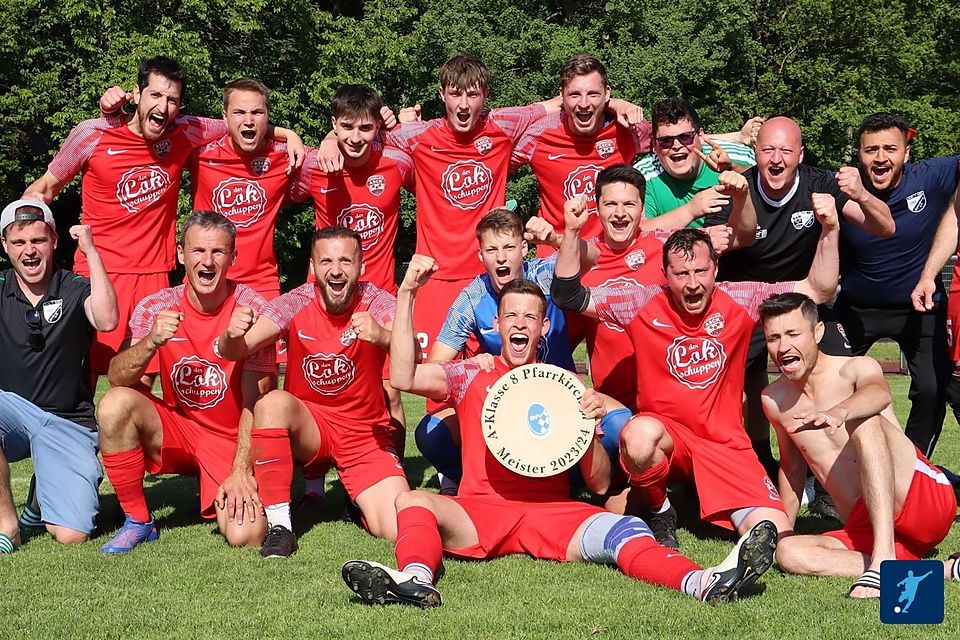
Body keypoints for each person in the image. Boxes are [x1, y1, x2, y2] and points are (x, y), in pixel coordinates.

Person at [341, 259, 779, 608]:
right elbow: (401, 375)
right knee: (413, 500)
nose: (518, 323)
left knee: (623, 529)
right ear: (496, 325)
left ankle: (699, 580)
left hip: (552, 512)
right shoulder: (468, 375)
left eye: (529, 317)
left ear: (543, 327)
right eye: (509, 314)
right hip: (481, 509)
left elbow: (600, 483)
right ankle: (413, 580)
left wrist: (587, 433)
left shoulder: (565, 387)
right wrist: (406, 295)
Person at [550, 185, 841, 549]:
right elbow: (567, 295)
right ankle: (661, 509)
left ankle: (713, 508)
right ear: (665, 275)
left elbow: (818, 289)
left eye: (700, 271)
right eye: (681, 274)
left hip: (725, 444)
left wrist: (830, 230)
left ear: (715, 269)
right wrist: (573, 231)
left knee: (774, 536)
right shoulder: (640, 300)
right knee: (637, 438)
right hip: (667, 438)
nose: (692, 284)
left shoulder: (741, 298)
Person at [23, 57, 302, 378]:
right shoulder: (92, 134)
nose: (163, 105)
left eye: (172, 100)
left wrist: (288, 133)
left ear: (180, 106)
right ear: (136, 93)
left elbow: (239, 124)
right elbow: (43, 189)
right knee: (76, 373)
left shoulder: (187, 131)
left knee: (140, 379)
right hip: (97, 271)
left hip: (153, 276)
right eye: (155, 95)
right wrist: (24, 239)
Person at [704, 116, 893, 503]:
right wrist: (714, 239)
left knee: (841, 366)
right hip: (747, 307)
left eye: (786, 150)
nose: (776, 159)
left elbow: (884, 226)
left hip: (808, 302)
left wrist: (859, 196)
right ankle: (735, 472)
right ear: (754, 153)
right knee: (724, 384)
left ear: (800, 155)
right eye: (768, 150)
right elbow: (717, 244)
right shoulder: (733, 190)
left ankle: (837, 473)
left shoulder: (819, 184)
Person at [216, 226, 410, 557]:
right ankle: (282, 527)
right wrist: (230, 336)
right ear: (313, 266)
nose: (336, 270)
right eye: (327, 261)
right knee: (272, 402)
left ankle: (358, 503)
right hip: (311, 430)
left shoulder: (377, 300)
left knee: (396, 526)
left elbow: (412, 358)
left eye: (346, 261)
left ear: (361, 266)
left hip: (362, 434)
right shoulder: (295, 301)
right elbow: (235, 349)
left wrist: (381, 335)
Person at [95, 211, 276, 553]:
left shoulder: (253, 310)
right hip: (180, 430)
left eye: (218, 252)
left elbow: (260, 401)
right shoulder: (156, 306)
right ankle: (138, 520)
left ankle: (236, 481)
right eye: (198, 251)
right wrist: (150, 342)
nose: (207, 261)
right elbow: (118, 378)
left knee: (245, 535)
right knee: (115, 402)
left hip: (231, 439)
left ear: (233, 257)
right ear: (180, 254)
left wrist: (241, 469)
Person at [759, 292, 959, 598]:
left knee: (862, 418)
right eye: (773, 337)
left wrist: (838, 412)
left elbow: (879, 395)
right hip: (864, 523)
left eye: (792, 334)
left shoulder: (854, 368)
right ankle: (944, 571)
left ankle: (881, 563)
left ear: (817, 332)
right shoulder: (773, 400)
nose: (783, 346)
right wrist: (783, 529)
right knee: (789, 553)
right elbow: (792, 467)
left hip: (920, 497)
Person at [414, 207, 588, 494]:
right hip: (504, 406)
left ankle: (595, 486)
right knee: (431, 433)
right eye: (492, 250)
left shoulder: (546, 274)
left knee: (616, 425)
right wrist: (473, 365)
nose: (502, 257)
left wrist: (559, 238)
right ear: (481, 256)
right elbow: (434, 368)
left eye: (509, 247)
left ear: (524, 249)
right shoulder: (473, 296)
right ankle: (468, 479)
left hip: (560, 399)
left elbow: (593, 258)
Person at [291, 84, 414, 471]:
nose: (356, 138)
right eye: (346, 128)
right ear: (334, 125)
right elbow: (277, 186)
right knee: (319, 389)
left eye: (365, 128)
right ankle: (313, 481)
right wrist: (312, 141)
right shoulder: (314, 164)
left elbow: (432, 166)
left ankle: (390, 465)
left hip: (379, 300)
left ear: (377, 126)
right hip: (325, 302)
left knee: (392, 390)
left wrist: (400, 121)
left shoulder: (396, 161)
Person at [0, 199, 117, 553]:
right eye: (18, 243)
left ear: (53, 241)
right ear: (5, 247)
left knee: (71, 534)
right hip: (12, 413)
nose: (29, 251)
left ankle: (40, 498)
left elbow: (107, 319)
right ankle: (7, 524)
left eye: (37, 241)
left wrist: (92, 252)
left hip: (67, 421)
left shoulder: (74, 287)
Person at [843, 112, 960, 458]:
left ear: (906, 153)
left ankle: (912, 465)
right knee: (826, 384)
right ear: (859, 154)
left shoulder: (932, 177)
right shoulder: (841, 187)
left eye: (890, 149)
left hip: (919, 307)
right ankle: (820, 478)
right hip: (855, 309)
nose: (881, 158)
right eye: (871, 150)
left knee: (931, 387)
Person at [510, 54, 651, 253]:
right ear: (562, 96)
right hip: (556, 254)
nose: (584, 104)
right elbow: (495, 161)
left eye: (593, 94)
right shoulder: (538, 135)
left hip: (613, 254)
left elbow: (671, 146)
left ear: (607, 93)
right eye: (574, 94)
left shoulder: (627, 129)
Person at [190, 77, 302, 300]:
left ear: (267, 116)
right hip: (205, 278)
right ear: (225, 117)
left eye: (257, 113)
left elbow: (341, 150)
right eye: (239, 112)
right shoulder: (199, 152)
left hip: (260, 284)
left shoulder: (286, 156)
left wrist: (314, 138)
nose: (248, 120)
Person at [640, 99, 757, 230]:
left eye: (685, 137)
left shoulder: (736, 156)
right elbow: (637, 231)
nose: (677, 146)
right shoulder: (643, 176)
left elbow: (772, 186)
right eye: (666, 140)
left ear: (700, 135)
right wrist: (690, 210)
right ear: (654, 144)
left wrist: (732, 168)